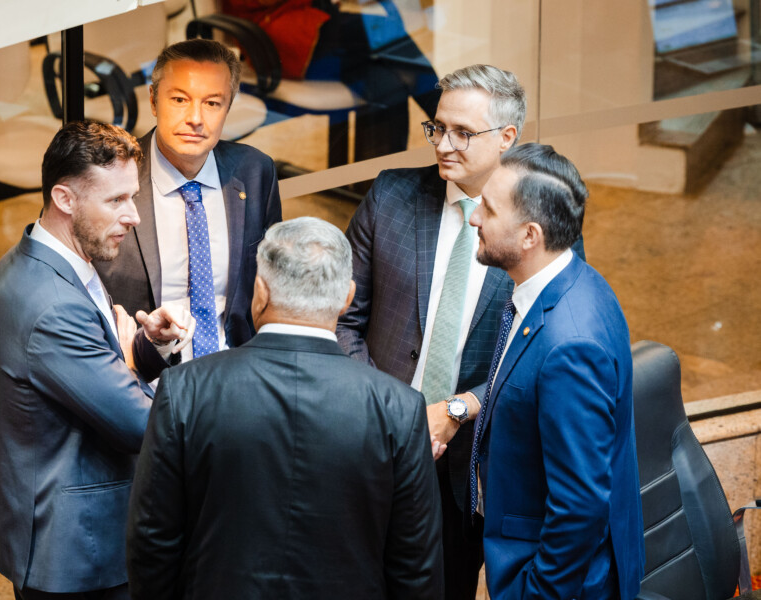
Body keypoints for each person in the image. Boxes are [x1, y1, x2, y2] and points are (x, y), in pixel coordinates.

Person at [126, 217, 444, 600]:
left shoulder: (186, 388)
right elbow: (416, 567)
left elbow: (152, 541)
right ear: (347, 297)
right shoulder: (400, 408)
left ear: (260, 292)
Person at [337, 64, 545, 599]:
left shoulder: (537, 224)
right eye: (437, 127)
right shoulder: (390, 195)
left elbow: (541, 357)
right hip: (371, 439)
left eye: (463, 133)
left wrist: (460, 408)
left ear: (507, 137)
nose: (443, 145)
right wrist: (386, 408)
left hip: (469, 464)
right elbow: (342, 317)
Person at [0, 121, 195, 600]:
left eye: (133, 197)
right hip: (76, 552)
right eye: (116, 200)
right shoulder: (52, 304)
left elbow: (91, 372)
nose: (134, 216)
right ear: (64, 198)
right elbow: (140, 424)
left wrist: (148, 348)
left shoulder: (51, 258)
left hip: (74, 532)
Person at [469, 143, 644, 599]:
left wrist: (537, 592)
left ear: (530, 235)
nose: (474, 219)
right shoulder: (576, 280)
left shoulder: (571, 346)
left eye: (488, 209)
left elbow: (580, 506)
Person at [96, 39, 282, 363]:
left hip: (235, 370)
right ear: (153, 101)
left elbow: (274, 287)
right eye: (180, 99)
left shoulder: (255, 172)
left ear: (228, 107)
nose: (195, 118)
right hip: (142, 377)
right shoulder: (107, 180)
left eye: (212, 103)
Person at [222, 0, 441, 160]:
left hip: (307, 19)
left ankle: (384, 183)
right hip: (276, 34)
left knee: (389, 80)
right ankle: (445, 120)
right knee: (386, 35)